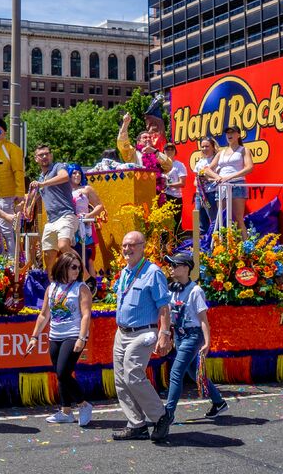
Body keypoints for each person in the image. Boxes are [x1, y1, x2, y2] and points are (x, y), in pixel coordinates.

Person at [110, 230, 172, 442]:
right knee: (120, 379)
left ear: (143, 247)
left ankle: (161, 416)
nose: (127, 249)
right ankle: (136, 424)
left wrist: (164, 333)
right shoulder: (125, 271)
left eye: (132, 245)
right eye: (124, 245)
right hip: (122, 332)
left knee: (132, 373)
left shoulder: (153, 272)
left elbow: (164, 306)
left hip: (144, 332)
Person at [23, 251, 93, 426]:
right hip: (55, 335)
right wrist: (34, 337)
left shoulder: (81, 288)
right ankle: (66, 411)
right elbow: (43, 315)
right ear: (63, 267)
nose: (77, 271)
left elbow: (86, 315)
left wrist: (81, 338)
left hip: (73, 335)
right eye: (73, 267)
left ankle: (84, 404)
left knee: (62, 372)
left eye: (79, 267)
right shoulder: (51, 288)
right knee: (61, 375)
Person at [162, 251, 228, 431]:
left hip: (193, 335)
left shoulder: (195, 291)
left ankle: (168, 413)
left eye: (175, 265)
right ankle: (218, 402)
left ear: (185, 268)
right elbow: (167, 314)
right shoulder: (172, 290)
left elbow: (203, 320)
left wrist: (207, 342)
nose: (171, 268)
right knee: (193, 372)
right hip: (179, 335)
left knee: (176, 373)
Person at [29, 145, 78, 276]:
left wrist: (43, 184)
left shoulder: (58, 167)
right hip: (51, 221)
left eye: (47, 154)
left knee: (63, 246)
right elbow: (34, 199)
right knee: (48, 256)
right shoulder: (40, 178)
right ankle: (52, 286)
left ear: (51, 155)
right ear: (36, 159)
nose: (44, 157)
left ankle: (86, 278)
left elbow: (64, 176)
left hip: (66, 215)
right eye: (41, 155)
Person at [0, 119, 25, 258]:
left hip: (6, 196)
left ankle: (12, 260)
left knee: (7, 230)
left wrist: (19, 193)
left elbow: (18, 171)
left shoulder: (12, 148)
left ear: (5, 133)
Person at [207, 126, 254, 229]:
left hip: (237, 184)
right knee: (221, 218)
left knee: (238, 219)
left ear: (238, 135)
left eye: (232, 133)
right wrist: (218, 177)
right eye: (227, 133)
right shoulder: (221, 153)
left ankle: (245, 244)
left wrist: (230, 177)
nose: (229, 135)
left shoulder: (244, 150)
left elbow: (249, 167)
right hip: (222, 186)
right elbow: (207, 169)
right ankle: (222, 243)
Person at [70, 166, 104, 281]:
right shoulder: (64, 191)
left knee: (89, 257)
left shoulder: (87, 189)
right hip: (71, 226)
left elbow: (100, 205)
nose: (77, 175)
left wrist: (89, 215)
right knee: (72, 257)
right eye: (74, 173)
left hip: (86, 225)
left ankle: (91, 287)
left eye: (79, 173)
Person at [192, 138, 219, 238]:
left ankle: (215, 243)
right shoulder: (200, 162)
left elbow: (218, 177)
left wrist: (207, 179)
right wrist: (198, 181)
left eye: (207, 146)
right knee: (200, 221)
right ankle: (203, 244)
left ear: (213, 147)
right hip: (199, 195)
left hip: (211, 194)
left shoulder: (216, 160)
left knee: (213, 220)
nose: (204, 148)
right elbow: (195, 180)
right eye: (202, 146)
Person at [163, 143, 187, 231]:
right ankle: (164, 244)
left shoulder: (179, 165)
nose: (169, 151)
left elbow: (182, 183)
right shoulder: (159, 164)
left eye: (171, 149)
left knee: (175, 223)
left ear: (175, 151)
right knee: (163, 223)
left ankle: (175, 244)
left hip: (175, 197)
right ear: (163, 151)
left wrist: (167, 185)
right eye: (167, 149)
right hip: (162, 197)